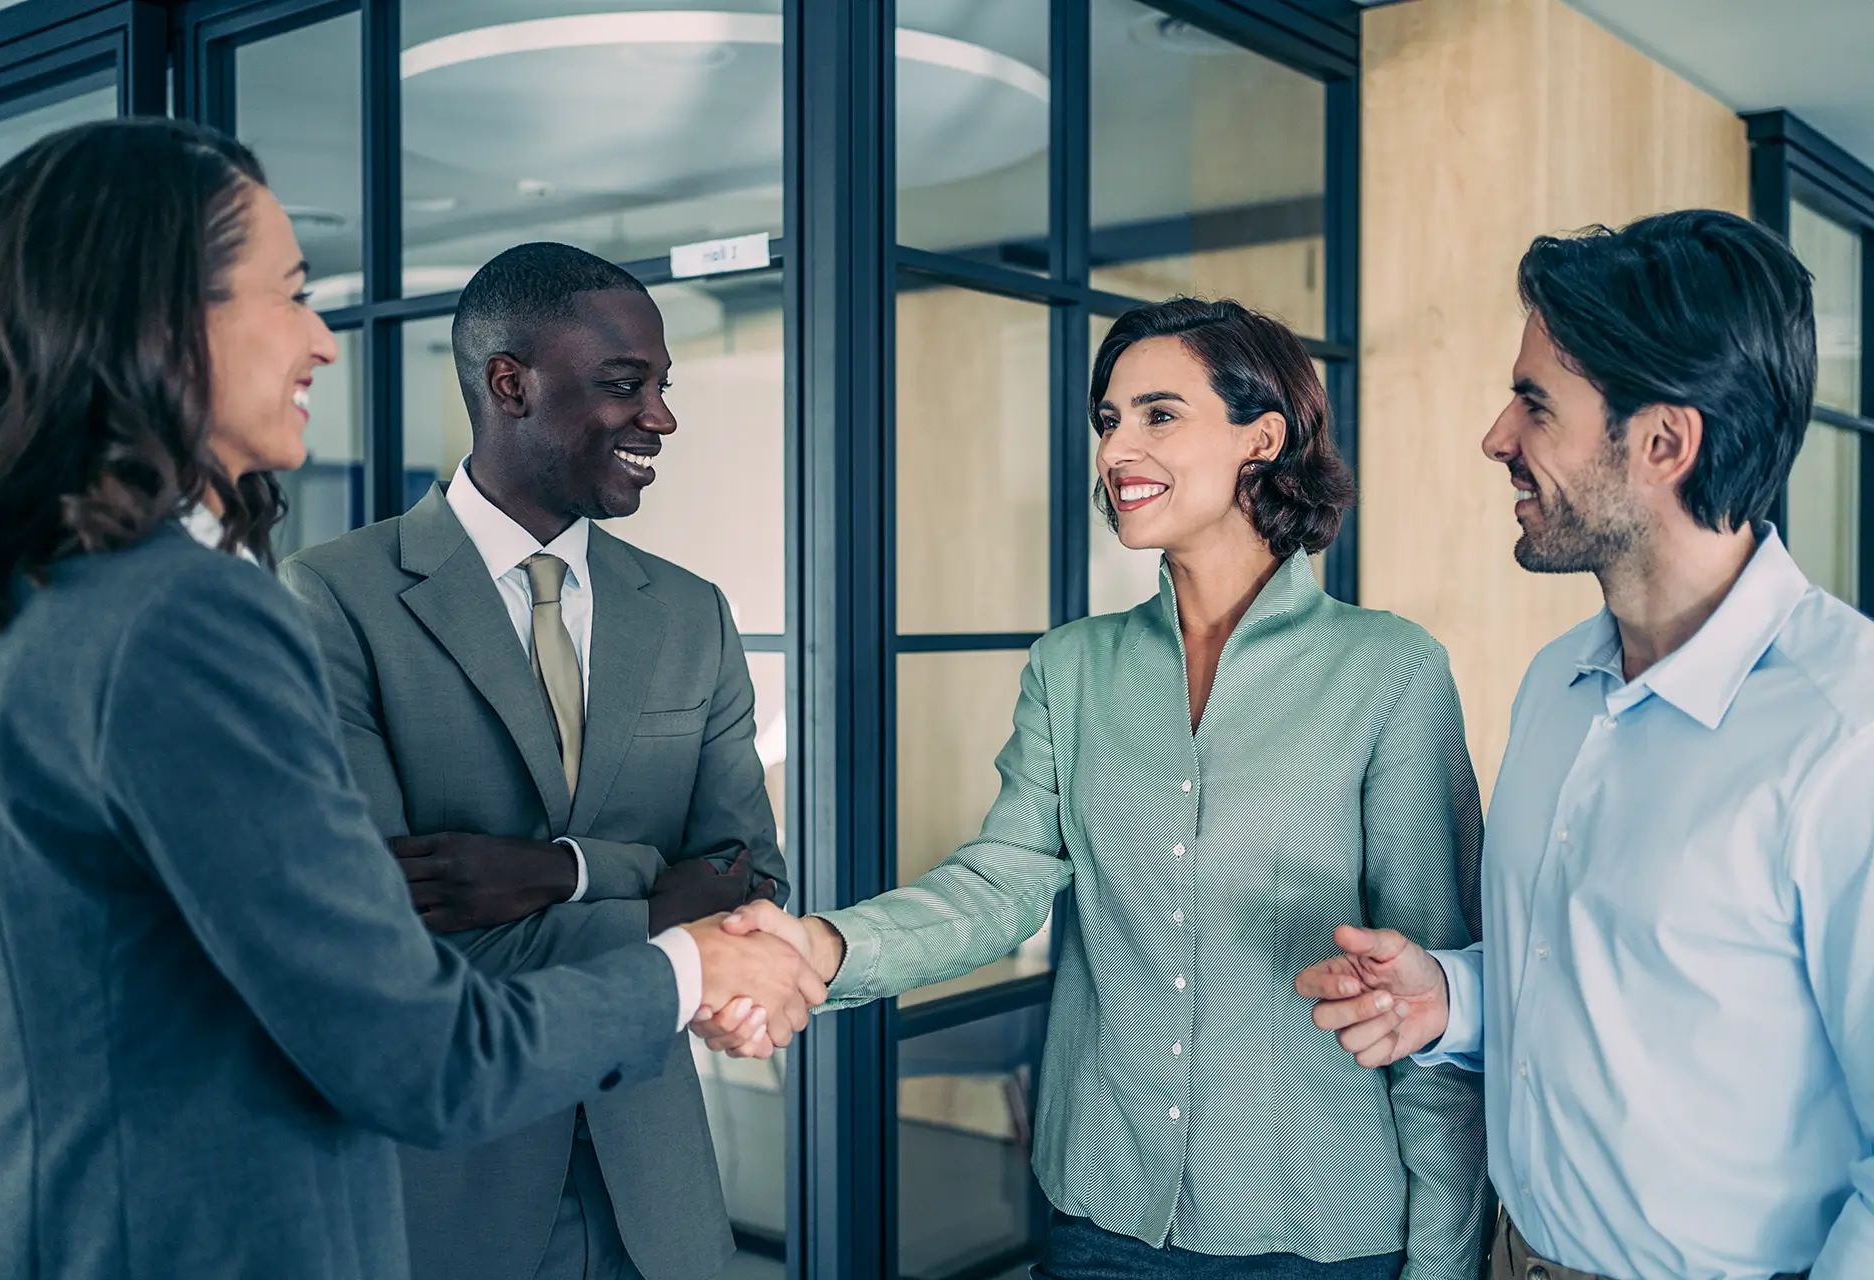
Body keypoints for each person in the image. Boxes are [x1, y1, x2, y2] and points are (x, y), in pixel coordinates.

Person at [0, 118, 816, 1280]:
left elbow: (734, 862)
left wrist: (552, 872)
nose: (323, 336)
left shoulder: (24, 600)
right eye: (292, 293)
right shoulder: (193, 614)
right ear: (165, 319)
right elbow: (414, 1035)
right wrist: (697, 958)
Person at [722, 297, 1489, 1279]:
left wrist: (1442, 1263)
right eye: (1108, 419)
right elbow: (999, 881)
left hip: (1320, 1222)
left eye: (1159, 414)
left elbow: (1430, 987)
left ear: (1265, 434)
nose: (1118, 445)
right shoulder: (1070, 669)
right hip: (1104, 1215)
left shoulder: (1389, 670)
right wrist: (823, 945)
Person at [1296, 210, 1870, 1280]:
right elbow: (1596, 979)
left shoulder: (1850, 737)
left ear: (1663, 443)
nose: (1497, 437)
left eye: (1535, 403)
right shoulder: (1558, 683)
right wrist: (1449, 996)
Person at [279, 243, 784, 1280]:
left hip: (661, 1196)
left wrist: (553, 872)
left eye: (662, 385)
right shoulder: (331, 598)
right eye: (623, 383)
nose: (661, 417)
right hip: (450, 1194)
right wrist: (654, 889)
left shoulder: (692, 612)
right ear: (509, 383)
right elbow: (391, 941)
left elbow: (751, 884)